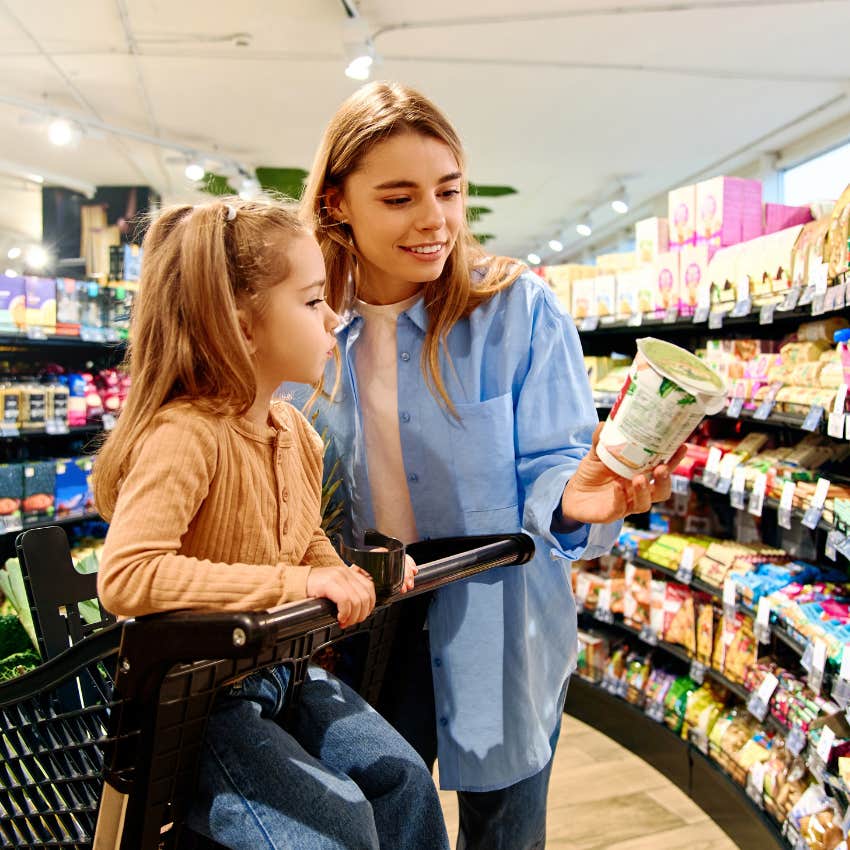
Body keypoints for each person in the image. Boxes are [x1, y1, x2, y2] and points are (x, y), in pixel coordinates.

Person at [291, 81, 684, 850]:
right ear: (337, 202)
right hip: (362, 615)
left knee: (505, 830)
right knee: (377, 822)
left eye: (448, 190)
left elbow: (555, 463)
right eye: (399, 197)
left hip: (500, 611)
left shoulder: (519, 309)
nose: (434, 219)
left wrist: (582, 495)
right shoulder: (303, 322)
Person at [93, 197, 449, 850]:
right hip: (194, 708)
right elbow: (128, 575)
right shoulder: (187, 434)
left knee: (403, 783)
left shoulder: (294, 432)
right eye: (313, 301)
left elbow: (302, 538)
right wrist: (296, 585)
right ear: (242, 326)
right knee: (340, 825)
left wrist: (346, 574)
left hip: (284, 670)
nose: (333, 318)